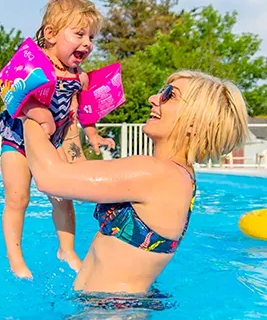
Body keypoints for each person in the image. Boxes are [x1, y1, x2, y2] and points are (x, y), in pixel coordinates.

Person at [23, 70, 248, 294]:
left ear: (194, 123)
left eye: (170, 94)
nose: (153, 98)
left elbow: (49, 178)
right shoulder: (178, 176)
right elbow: (74, 172)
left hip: (107, 319)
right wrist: (70, 115)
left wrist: (29, 109)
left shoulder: (158, 174)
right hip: (118, 312)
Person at [0, 0, 115, 279]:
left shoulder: (77, 75)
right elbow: (11, 91)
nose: (87, 43)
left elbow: (82, 110)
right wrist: (35, 109)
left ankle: (67, 250)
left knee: (63, 196)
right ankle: (16, 259)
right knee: (18, 197)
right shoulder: (34, 65)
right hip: (17, 139)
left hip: (56, 138)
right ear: (50, 34)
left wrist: (93, 136)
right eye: (80, 34)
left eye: (92, 37)